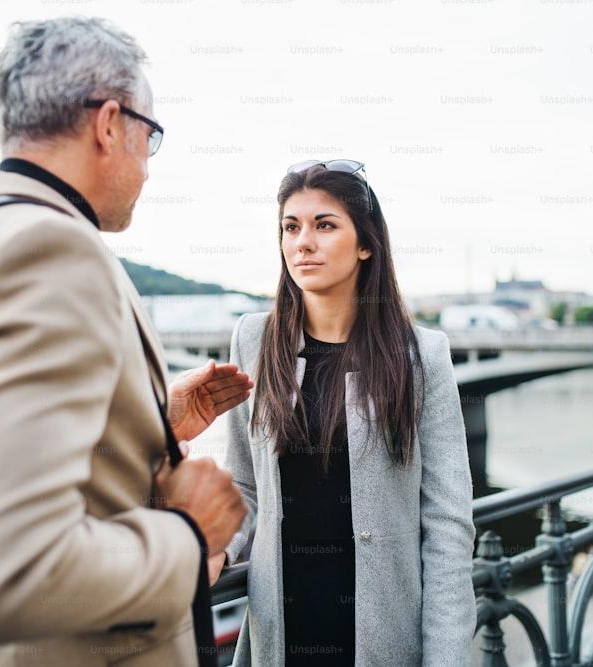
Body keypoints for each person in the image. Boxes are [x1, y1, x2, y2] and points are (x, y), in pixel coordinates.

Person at [0, 17, 248, 666]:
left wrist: (150, 418)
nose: (147, 163)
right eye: (151, 134)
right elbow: (1, 575)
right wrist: (190, 536)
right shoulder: (50, 253)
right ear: (109, 123)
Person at [214, 160, 477, 665]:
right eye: (291, 228)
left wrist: (445, 657)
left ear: (366, 245)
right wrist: (217, 549)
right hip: (283, 632)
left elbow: (446, 523)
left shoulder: (421, 357)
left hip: (383, 633)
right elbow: (244, 486)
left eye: (324, 225)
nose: (302, 242)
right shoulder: (253, 340)